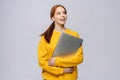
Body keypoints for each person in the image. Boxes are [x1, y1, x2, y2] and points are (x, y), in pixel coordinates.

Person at [38, 4, 83, 80]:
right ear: (52, 18)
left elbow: (79, 58)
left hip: (70, 78)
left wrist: (57, 62)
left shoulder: (74, 35)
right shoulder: (45, 37)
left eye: (64, 13)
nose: (62, 15)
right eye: (58, 13)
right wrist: (62, 70)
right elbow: (42, 62)